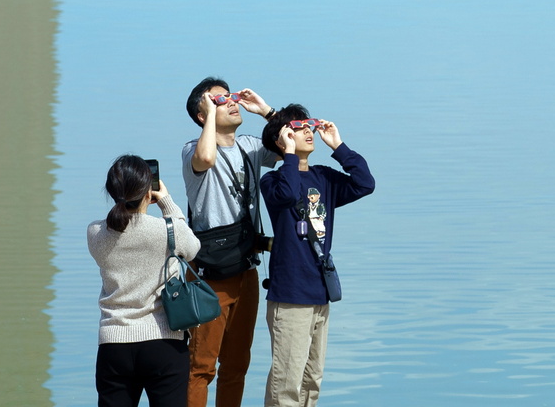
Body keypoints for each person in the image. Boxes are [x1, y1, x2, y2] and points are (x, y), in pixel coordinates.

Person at [259, 104, 375, 407]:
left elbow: (365, 183)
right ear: (282, 138)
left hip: (320, 294)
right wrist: (288, 155)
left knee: (312, 381)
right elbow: (286, 194)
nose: (308, 130)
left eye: (308, 125)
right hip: (290, 295)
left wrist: (338, 145)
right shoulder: (272, 181)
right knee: (286, 385)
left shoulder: (323, 177)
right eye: (299, 127)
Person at [182, 77, 280, 407]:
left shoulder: (251, 147)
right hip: (208, 273)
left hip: (245, 266)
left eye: (232, 96)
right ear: (202, 113)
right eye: (219, 100)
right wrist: (211, 115)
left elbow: (287, 144)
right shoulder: (191, 151)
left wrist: (266, 111)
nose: (231, 102)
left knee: (237, 365)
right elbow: (206, 159)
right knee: (200, 366)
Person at [87, 155, 201, 407]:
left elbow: (116, 226)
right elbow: (192, 247)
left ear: (111, 191)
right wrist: (168, 203)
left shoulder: (95, 233)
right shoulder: (168, 230)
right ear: (149, 192)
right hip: (164, 342)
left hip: (113, 344)